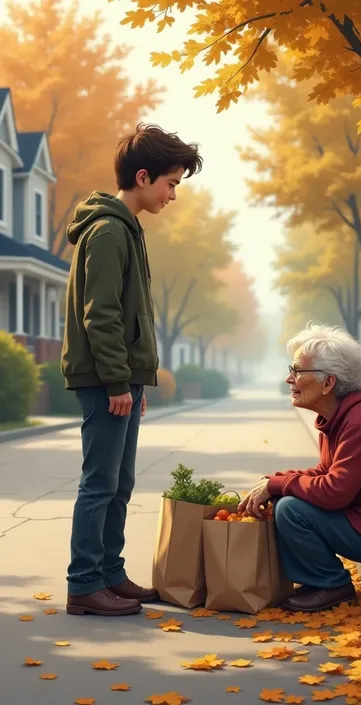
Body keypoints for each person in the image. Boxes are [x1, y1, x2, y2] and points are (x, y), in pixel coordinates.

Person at [61, 124, 202, 616]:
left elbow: (129, 316)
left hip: (120, 380)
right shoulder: (106, 231)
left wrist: (135, 380)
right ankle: (84, 584)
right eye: (171, 183)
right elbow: (101, 315)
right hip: (103, 381)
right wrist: (118, 381)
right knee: (99, 483)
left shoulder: (125, 228)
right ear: (142, 177)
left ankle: (110, 575)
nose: (173, 195)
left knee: (119, 483)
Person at [238, 322, 361, 614]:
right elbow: (327, 474)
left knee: (290, 508)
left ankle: (332, 584)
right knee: (284, 499)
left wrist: (279, 486)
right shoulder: (343, 417)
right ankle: (316, 581)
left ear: (328, 383)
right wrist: (274, 482)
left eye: (297, 371)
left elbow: (334, 492)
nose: (289, 379)